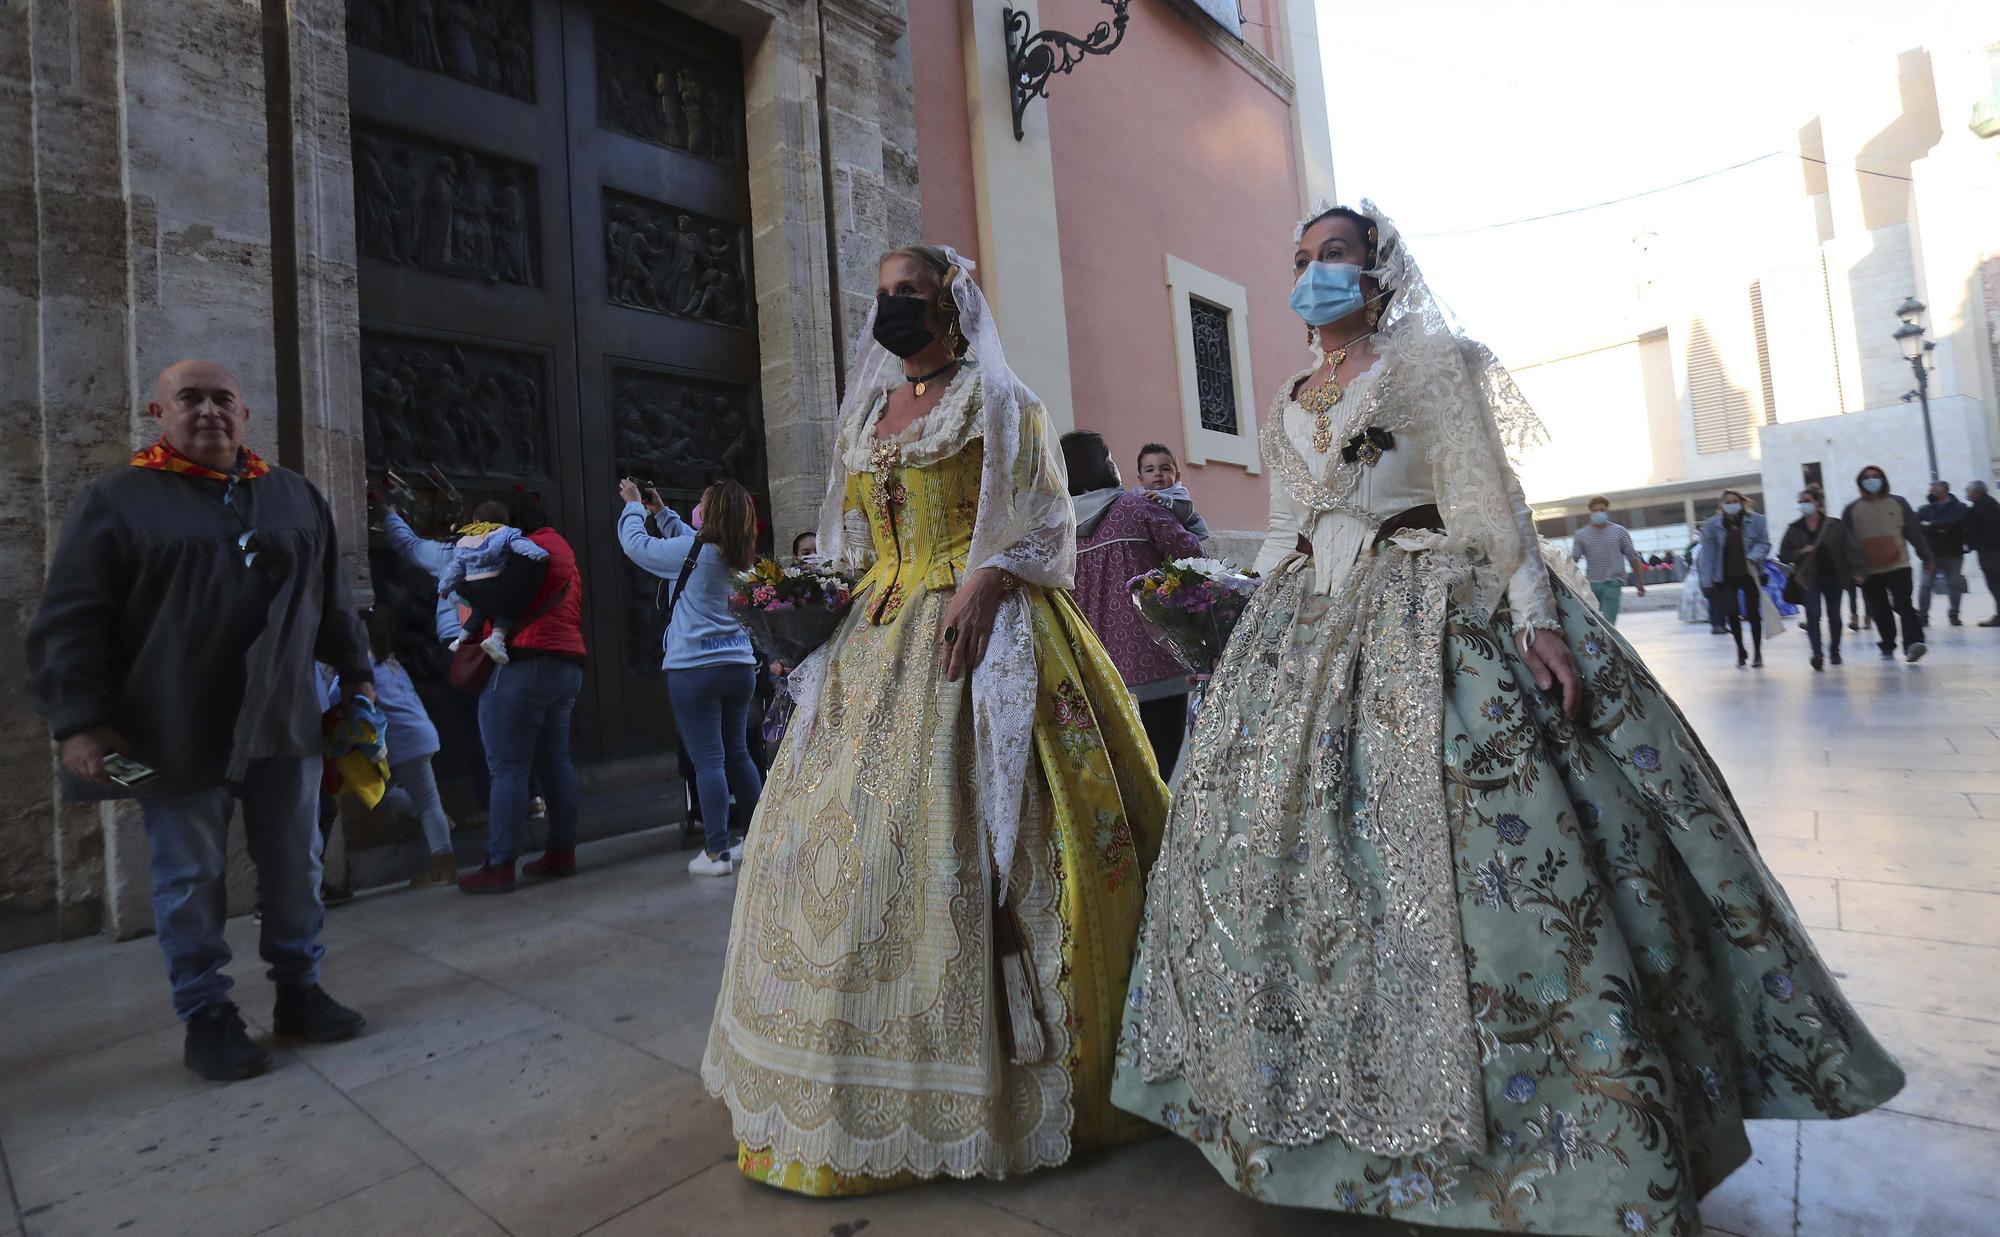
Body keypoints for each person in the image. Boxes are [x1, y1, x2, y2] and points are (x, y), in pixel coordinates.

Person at [1110, 203, 1903, 1233]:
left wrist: (1537, 623)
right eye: (1299, 260)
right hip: (1303, 627)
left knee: (1478, 861)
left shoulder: (1434, 366)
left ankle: (1547, 1145)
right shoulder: (1288, 394)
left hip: (1427, 606)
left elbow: (1489, 501)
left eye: (1333, 257)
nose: (1312, 276)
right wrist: (1231, 621)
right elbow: (1285, 529)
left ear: (1377, 272)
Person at [702, 244, 1167, 1194]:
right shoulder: (872, 414)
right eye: (881, 297)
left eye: (908, 294)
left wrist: (990, 578)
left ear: (952, 305)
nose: (892, 310)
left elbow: (1048, 522)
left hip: (981, 631)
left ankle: (1006, 1075)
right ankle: (840, 1086)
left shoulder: (1004, 403)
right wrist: (801, 605)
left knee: (967, 838)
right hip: (879, 636)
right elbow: (864, 539)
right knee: (839, 845)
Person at [24, 358, 374, 1080]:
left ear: (245, 416)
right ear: (160, 413)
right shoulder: (117, 500)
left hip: (286, 720)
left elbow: (332, 601)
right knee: (189, 875)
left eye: (223, 399)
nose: (208, 411)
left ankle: (298, 990)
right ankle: (207, 1012)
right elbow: (71, 620)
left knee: (297, 866)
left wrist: (360, 677)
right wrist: (78, 720)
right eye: (190, 398)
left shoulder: (294, 495)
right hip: (175, 727)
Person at [617, 476, 763, 875]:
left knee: (708, 760)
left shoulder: (694, 551)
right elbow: (692, 544)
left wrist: (632, 506)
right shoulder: (742, 558)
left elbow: (636, 546)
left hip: (694, 670)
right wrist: (661, 512)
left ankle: (716, 853)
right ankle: (756, 838)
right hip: (738, 667)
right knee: (739, 753)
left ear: (710, 513)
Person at [457, 490, 587, 893]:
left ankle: (499, 863)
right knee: (555, 762)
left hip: (523, 662)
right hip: (566, 662)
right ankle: (562, 850)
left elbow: (498, 598)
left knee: (508, 767)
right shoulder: (561, 548)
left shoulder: (523, 549)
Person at [1062, 430, 1205, 777]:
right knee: (1158, 774)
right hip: (1156, 668)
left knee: (1117, 781)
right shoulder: (1139, 508)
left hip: (1092, 674)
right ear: (1103, 466)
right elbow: (1193, 557)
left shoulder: (1058, 529)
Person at [382, 499, 492, 819]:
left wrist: (389, 514)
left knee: (477, 725)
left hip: (460, 645)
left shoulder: (451, 553)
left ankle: (492, 802)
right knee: (508, 721)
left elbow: (408, 545)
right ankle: (530, 797)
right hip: (501, 643)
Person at [340, 608, 458, 887]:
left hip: (406, 743)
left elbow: (339, 697)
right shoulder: (391, 664)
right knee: (384, 794)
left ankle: (444, 867)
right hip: (416, 737)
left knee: (425, 804)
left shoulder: (361, 670)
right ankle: (439, 822)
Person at [438, 500, 551, 664]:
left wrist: (444, 586)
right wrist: (539, 553)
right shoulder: (504, 533)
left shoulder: (466, 540)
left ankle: (458, 642)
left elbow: (455, 567)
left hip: (474, 583)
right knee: (505, 612)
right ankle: (496, 639)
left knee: (477, 614)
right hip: (495, 580)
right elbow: (520, 545)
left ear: (476, 521)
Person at [1843, 464, 1931, 663]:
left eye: (1875, 476)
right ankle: (1887, 644)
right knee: (1879, 609)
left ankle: (1913, 643)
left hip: (1898, 565)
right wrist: (1854, 570)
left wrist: (1927, 557)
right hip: (1869, 570)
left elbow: (1914, 533)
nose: (1871, 479)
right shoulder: (1852, 509)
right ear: (1860, 482)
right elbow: (1848, 543)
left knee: (1904, 604)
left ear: (1883, 479)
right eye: (1867, 477)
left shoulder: (1898, 503)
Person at [1778, 485, 1863, 670]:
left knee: (1834, 614)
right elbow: (1783, 554)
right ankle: (1817, 653)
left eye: (1807, 501)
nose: (1803, 505)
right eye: (1800, 502)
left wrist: (1857, 570)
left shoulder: (1834, 525)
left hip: (1834, 575)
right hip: (1808, 578)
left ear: (1818, 502)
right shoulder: (1794, 528)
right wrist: (1800, 552)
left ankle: (1835, 651)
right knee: (1813, 614)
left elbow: (1850, 548)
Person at [1698, 489, 1771, 667]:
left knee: (1753, 613)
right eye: (1727, 502)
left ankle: (1757, 652)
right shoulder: (1712, 525)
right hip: (1725, 577)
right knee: (1731, 612)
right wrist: (1707, 583)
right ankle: (1740, 649)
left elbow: (1764, 543)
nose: (1731, 505)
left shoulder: (1756, 521)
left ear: (1742, 502)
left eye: (1734, 501)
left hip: (1750, 573)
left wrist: (1753, 557)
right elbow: (1707, 555)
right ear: (1721, 505)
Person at [1569, 495, 1646, 624]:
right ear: (1590, 512)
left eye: (1602, 510)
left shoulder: (1619, 531)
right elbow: (1573, 559)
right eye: (1595, 510)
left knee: (1608, 621)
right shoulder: (1581, 535)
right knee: (1595, 622)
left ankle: (1608, 643)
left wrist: (1639, 581)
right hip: (1592, 584)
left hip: (1613, 582)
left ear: (1607, 511)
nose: (1598, 513)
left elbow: (1632, 557)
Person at [1916, 480, 1969, 627]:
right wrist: (1942, 527)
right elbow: (1919, 527)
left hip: (1953, 552)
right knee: (1925, 586)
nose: (1930, 491)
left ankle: (1954, 614)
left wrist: (1932, 525)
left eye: (1932, 489)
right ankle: (1923, 615)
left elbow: (1956, 524)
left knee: (1954, 585)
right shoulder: (1924, 509)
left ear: (1943, 491)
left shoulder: (1960, 508)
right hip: (1930, 554)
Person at [1134, 442, 1211, 539]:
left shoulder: (1178, 492)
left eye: (1165, 469)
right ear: (1141, 480)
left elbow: (1184, 513)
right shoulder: (1138, 495)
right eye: (1150, 470)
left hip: (1178, 539)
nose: (1158, 473)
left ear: (1177, 477)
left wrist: (1164, 500)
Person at [1965, 479, 2000, 626]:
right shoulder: (1987, 504)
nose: (1967, 494)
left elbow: (1988, 529)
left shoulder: (1984, 506)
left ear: (1976, 492)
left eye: (1969, 492)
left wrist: (1980, 545)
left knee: (1995, 583)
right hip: (1990, 549)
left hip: (1991, 551)